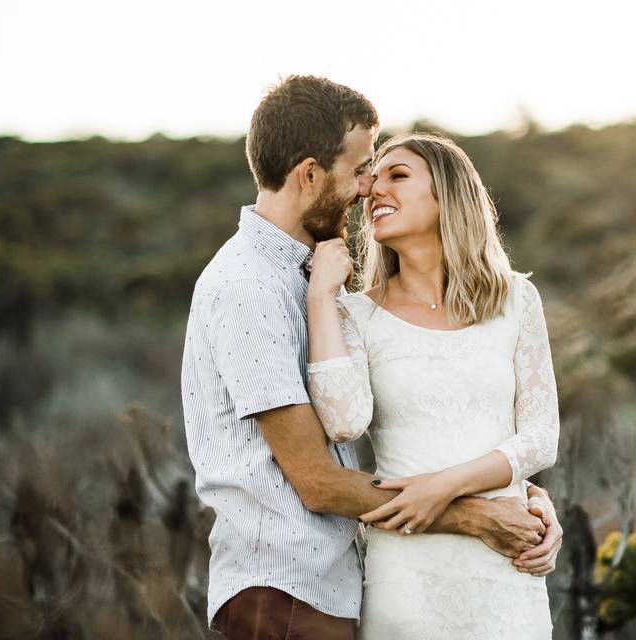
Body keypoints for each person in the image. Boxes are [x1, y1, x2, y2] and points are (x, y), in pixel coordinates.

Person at [180, 76, 562, 640]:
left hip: (332, 583)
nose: (367, 190)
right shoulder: (251, 286)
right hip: (282, 586)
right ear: (310, 174)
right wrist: (477, 514)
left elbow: (515, 427)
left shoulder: (301, 277)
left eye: (387, 175)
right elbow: (318, 479)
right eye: (362, 171)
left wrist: (521, 494)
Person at [305, 132, 560, 639]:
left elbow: (540, 437)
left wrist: (442, 487)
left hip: (508, 570)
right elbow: (343, 421)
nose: (376, 190)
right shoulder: (354, 314)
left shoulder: (517, 300)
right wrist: (320, 296)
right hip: (407, 576)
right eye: (373, 180)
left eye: (398, 176)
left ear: (449, 195)